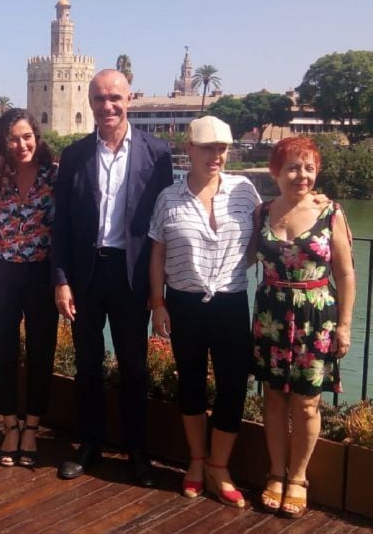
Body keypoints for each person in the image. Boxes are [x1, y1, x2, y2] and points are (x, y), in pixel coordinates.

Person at [52, 69, 173, 487]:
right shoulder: (74, 156)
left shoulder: (157, 154)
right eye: (100, 98)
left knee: (134, 368)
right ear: (89, 101)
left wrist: (158, 290)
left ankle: (137, 451)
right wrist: (61, 279)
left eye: (115, 98)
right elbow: (61, 225)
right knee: (87, 365)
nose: (108, 106)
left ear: (129, 99)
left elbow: (164, 224)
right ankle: (89, 445)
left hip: (130, 275)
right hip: (85, 275)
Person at [147, 116, 261, 507]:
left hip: (230, 300)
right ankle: (196, 461)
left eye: (223, 148)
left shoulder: (244, 192)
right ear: (190, 150)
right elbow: (157, 252)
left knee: (233, 384)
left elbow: (268, 232)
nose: (217, 155)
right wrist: (157, 304)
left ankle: (219, 465)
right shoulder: (168, 198)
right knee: (191, 382)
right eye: (209, 147)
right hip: (184, 302)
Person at [251, 135, 355, 518]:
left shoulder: (331, 213)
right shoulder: (262, 213)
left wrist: (344, 325)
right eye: (294, 167)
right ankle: (275, 473)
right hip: (272, 315)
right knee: (274, 398)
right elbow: (242, 257)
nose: (302, 175)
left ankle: (298, 477)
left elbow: (345, 273)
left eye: (309, 167)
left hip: (316, 318)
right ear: (275, 171)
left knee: (308, 402)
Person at [0, 108, 59, 468]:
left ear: (36, 139)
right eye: (14, 138)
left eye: (27, 137)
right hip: (1, 274)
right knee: (3, 351)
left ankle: (32, 428)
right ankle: (10, 424)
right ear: (3, 142)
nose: (21, 144)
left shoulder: (53, 177)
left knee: (42, 353)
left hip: (41, 276)